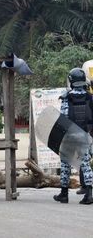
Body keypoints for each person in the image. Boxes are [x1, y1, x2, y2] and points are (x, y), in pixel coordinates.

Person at [54, 68, 93, 204]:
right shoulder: (90, 97)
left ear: (71, 81)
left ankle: (64, 194)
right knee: (86, 165)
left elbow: (63, 119)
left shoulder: (66, 97)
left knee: (65, 165)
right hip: (84, 136)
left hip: (69, 136)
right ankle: (88, 195)